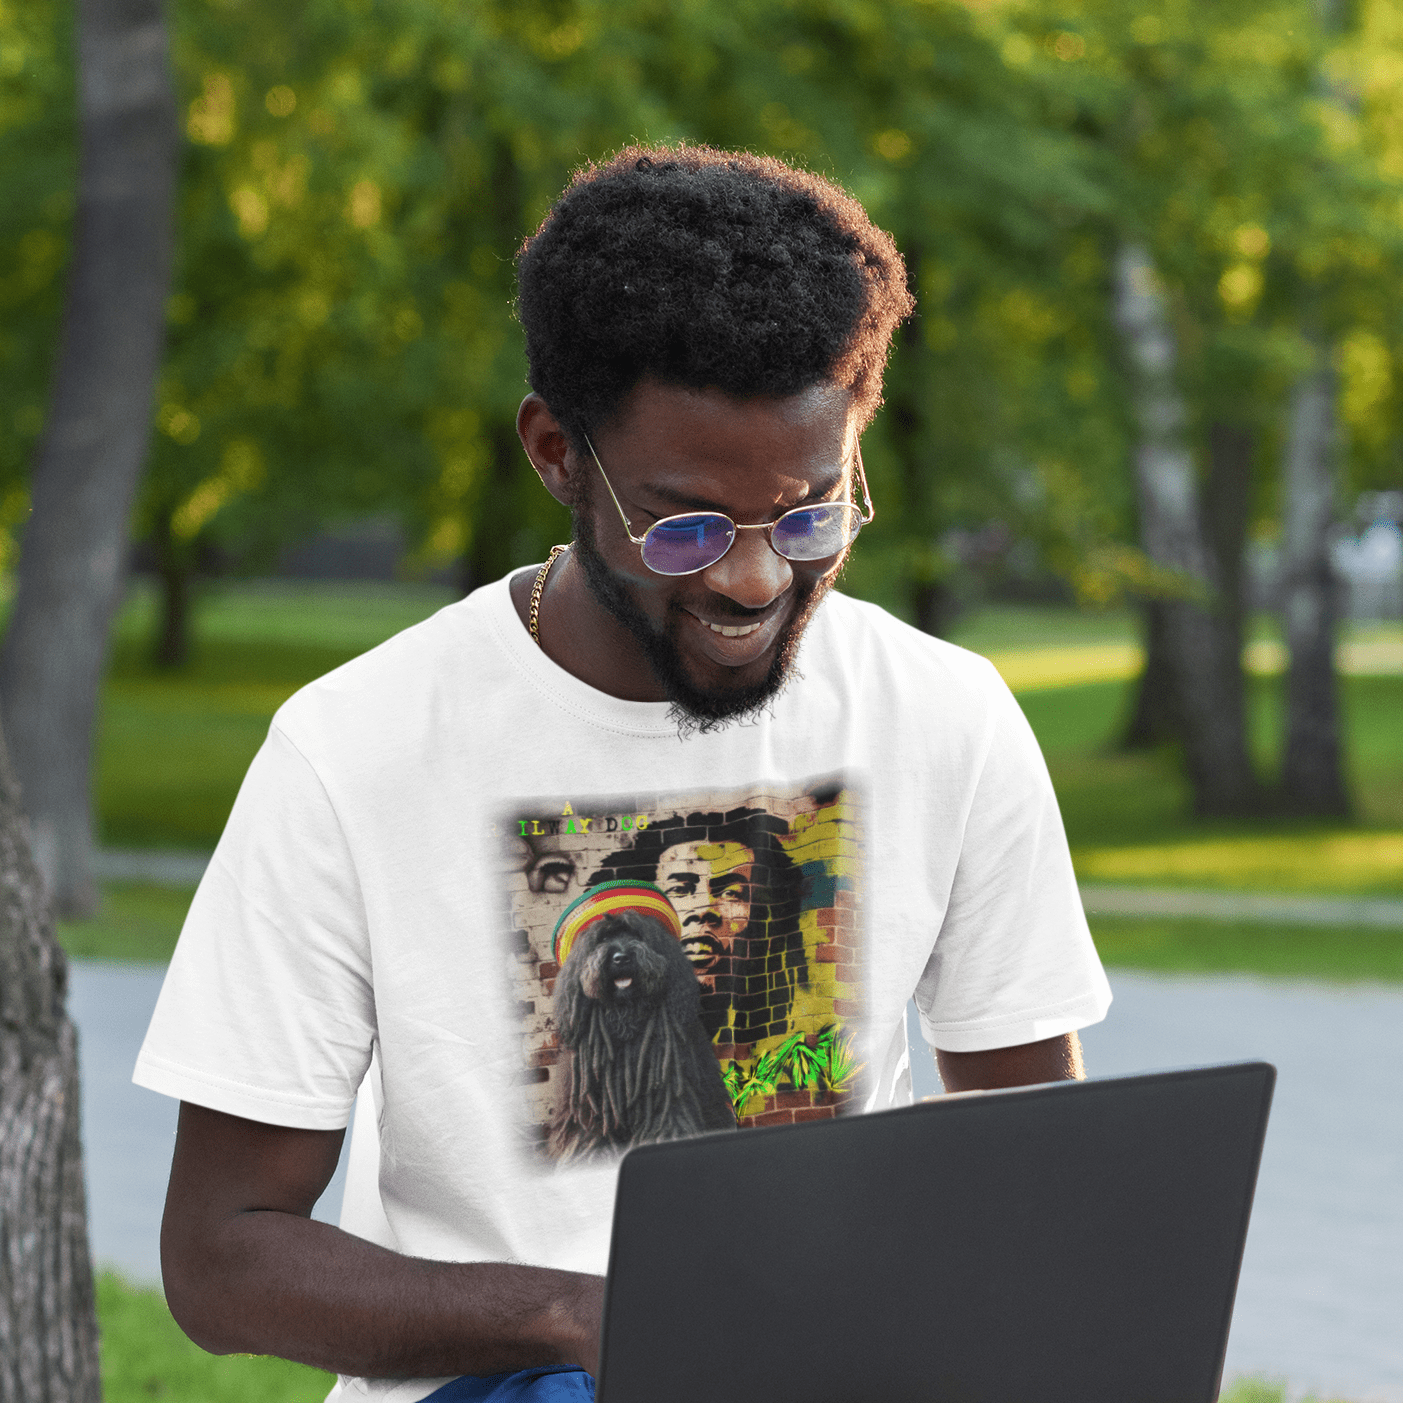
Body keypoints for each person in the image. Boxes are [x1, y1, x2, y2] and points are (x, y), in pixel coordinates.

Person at [136, 144, 1111, 1403]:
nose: (754, 579)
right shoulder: (355, 747)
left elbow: (1034, 1168)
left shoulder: (945, 714)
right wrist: (574, 1314)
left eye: (810, 512)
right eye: (688, 522)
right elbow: (221, 1259)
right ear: (554, 452)